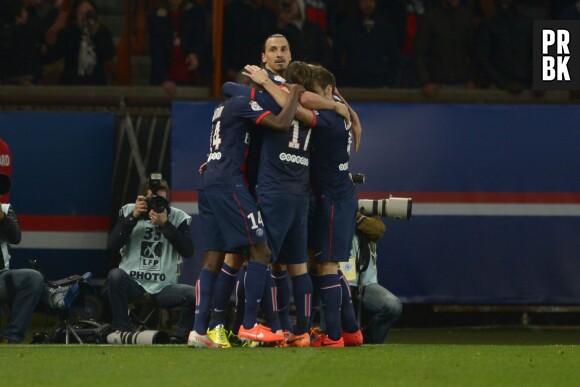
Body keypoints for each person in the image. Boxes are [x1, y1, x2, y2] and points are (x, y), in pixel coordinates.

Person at [189, 73, 303, 348]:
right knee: (261, 250)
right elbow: (282, 122)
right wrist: (295, 94)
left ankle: (199, 331)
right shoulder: (242, 102)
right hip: (230, 183)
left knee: (213, 259)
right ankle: (250, 326)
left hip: (210, 181)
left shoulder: (222, 107)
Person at [307, 65, 362, 347]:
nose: (310, 95)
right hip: (341, 194)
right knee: (326, 263)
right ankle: (351, 330)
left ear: (328, 92)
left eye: (315, 91)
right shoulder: (342, 109)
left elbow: (301, 103)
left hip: (332, 198)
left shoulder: (327, 116)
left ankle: (333, 336)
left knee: (327, 266)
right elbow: (357, 124)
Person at [107, 175, 195, 344]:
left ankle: (180, 337)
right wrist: (133, 217)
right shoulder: (129, 211)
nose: (157, 204)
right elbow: (112, 246)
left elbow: (188, 251)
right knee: (115, 275)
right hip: (133, 283)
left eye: (161, 200)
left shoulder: (177, 217)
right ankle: (122, 330)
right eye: (152, 200)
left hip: (164, 287)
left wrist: (166, 225)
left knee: (192, 294)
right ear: (142, 199)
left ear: (167, 199)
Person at [0, 141, 45, 344]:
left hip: (1, 277)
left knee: (33, 278)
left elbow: (15, 237)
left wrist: (1, 216)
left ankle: (11, 336)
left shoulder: (5, 209)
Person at [344, 212, 402, 344]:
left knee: (393, 306)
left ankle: (369, 339)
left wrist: (356, 217)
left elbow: (378, 229)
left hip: (366, 284)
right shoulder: (336, 209)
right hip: (338, 282)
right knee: (335, 300)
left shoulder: (365, 209)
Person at [413, 0, 475, 97]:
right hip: (436, 87)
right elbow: (419, 54)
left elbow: (473, 52)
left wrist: (472, 79)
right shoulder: (430, 18)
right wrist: (426, 82)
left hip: (463, 85)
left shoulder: (465, 17)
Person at [333, 0, 399, 88]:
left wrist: (389, 85)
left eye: (371, 0)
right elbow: (337, 59)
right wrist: (343, 85)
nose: (368, 4)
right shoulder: (346, 28)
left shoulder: (386, 29)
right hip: (353, 83)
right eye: (364, 0)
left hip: (380, 83)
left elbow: (394, 60)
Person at [148, 0, 207, 95]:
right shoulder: (155, 16)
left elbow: (201, 39)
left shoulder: (196, 13)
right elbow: (156, 51)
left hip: (192, 78)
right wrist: (163, 79)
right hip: (166, 80)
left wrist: (195, 54)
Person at [52, 0, 115, 85]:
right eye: (82, 13)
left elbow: (108, 54)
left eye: (89, 13)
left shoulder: (102, 32)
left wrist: (95, 31)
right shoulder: (67, 33)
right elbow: (61, 51)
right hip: (72, 82)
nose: (86, 16)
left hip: (96, 83)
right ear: (76, 14)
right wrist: (77, 28)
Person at [477, 0, 532, 95]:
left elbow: (534, 54)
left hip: (525, 86)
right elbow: (484, 59)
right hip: (497, 89)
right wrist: (504, 83)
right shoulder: (489, 25)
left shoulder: (526, 23)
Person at [222, 0, 277, 81]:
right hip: (235, 72)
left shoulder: (268, 15)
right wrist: (228, 69)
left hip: (262, 75)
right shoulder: (232, 11)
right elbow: (224, 43)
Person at [274, 0, 332, 69]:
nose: (288, 7)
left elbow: (327, 52)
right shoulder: (281, 31)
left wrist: (320, 66)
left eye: (291, 3)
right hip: (293, 75)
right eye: (285, 5)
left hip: (316, 73)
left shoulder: (314, 28)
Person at [0, 0, 44, 85]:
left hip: (7, 79)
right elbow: (42, 24)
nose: (26, 13)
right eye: (24, 11)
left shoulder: (6, 32)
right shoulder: (22, 32)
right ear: (17, 16)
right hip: (22, 80)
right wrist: (57, 6)